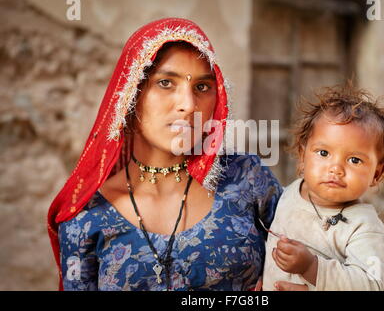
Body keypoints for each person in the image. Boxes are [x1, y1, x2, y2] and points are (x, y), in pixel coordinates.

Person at [48, 18, 283, 291]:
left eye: (202, 87)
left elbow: (323, 252)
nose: (188, 104)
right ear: (131, 96)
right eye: (166, 83)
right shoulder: (86, 217)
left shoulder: (246, 178)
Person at [262, 83, 384, 291]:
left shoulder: (364, 227)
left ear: (377, 173)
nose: (336, 168)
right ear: (303, 157)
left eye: (354, 160)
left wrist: (311, 267)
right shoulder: (289, 193)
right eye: (323, 153)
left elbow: (370, 284)